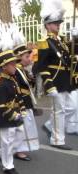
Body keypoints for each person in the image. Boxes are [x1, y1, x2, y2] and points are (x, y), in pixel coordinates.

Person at [37, 0, 75, 150]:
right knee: (58, 111)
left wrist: (76, 39)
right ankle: (57, 140)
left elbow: (72, 56)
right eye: (55, 23)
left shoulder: (63, 41)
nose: (58, 25)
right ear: (47, 25)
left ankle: (48, 125)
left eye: (59, 23)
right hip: (54, 81)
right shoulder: (44, 42)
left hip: (65, 80)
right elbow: (42, 65)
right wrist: (48, 84)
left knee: (72, 107)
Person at [0, 29, 27, 174]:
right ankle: (8, 166)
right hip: (6, 118)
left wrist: (23, 109)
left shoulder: (12, 79)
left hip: (16, 115)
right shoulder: (0, 83)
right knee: (7, 140)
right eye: (12, 64)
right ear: (4, 66)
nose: (15, 66)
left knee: (19, 135)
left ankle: (2, 153)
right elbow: (0, 105)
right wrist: (13, 115)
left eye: (15, 63)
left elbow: (19, 96)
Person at [12, 27, 40, 159]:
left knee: (26, 125)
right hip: (20, 102)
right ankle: (17, 150)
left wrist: (31, 77)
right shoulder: (16, 71)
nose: (30, 59)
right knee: (21, 127)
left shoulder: (22, 70)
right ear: (19, 58)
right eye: (27, 56)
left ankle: (20, 148)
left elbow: (29, 85)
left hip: (27, 101)